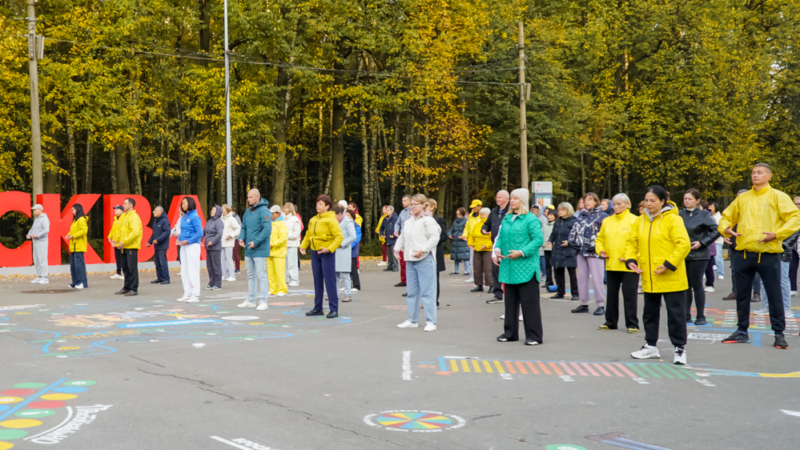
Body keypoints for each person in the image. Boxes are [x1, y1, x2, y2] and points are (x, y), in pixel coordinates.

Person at [719, 163, 800, 349]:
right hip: (743, 253)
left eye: (760, 172)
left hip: (768, 254)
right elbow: (726, 216)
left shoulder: (778, 196)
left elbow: (795, 218)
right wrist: (725, 228)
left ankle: (779, 334)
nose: (755, 175)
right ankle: (741, 331)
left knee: (774, 295)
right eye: (753, 172)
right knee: (742, 295)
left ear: (769, 176)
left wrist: (778, 233)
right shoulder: (743, 198)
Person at [626, 186, 691, 365]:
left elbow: (683, 244)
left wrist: (668, 264)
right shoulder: (640, 221)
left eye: (653, 200)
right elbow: (631, 242)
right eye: (646, 200)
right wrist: (631, 259)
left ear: (663, 201)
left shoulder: (673, 220)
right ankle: (650, 345)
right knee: (650, 313)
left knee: (676, 314)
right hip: (650, 275)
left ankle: (679, 348)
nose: (649, 204)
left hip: (670, 275)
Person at [493, 188, 545, 345]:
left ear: (522, 201)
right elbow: (500, 237)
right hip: (509, 267)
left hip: (526, 267)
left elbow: (538, 240)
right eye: (512, 198)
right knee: (510, 303)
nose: (512, 201)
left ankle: (534, 336)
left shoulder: (530, 219)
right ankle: (510, 333)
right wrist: (497, 249)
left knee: (530, 304)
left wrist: (521, 252)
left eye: (516, 198)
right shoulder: (507, 218)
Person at [396, 193, 441, 332]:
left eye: (416, 204)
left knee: (428, 292)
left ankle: (431, 321)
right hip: (410, 259)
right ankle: (412, 319)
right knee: (411, 292)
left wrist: (423, 250)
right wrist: (397, 248)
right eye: (412, 204)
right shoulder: (409, 221)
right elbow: (403, 236)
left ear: (423, 205)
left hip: (424, 259)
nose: (413, 207)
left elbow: (435, 238)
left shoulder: (428, 220)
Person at [595, 193, 640, 332]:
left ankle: (632, 323)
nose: (616, 207)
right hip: (612, 263)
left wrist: (631, 257)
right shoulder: (607, 221)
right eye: (614, 204)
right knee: (612, 295)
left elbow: (641, 243)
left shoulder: (635, 220)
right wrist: (600, 250)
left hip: (629, 265)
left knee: (630, 295)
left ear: (628, 204)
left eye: (619, 204)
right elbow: (599, 239)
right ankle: (610, 321)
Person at [679, 189, 720, 325]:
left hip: (699, 254)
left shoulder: (704, 214)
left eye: (690, 199)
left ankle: (700, 316)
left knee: (697, 285)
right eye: (685, 198)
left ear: (697, 201)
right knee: (685, 286)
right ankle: (685, 314)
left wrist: (702, 243)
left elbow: (716, 230)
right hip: (682, 254)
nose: (687, 201)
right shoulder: (678, 214)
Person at [300, 194, 343, 318]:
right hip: (314, 252)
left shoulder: (331, 219)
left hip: (326, 253)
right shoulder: (313, 219)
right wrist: (303, 245)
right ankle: (318, 308)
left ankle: (334, 308)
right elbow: (308, 234)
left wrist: (329, 249)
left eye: (320, 204)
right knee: (317, 281)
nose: (317, 206)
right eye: (317, 204)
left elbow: (339, 237)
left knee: (330, 281)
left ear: (327, 206)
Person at [569, 193, 608, 315]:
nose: (587, 202)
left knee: (597, 279)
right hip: (581, 251)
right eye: (585, 200)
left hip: (595, 252)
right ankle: (584, 303)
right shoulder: (581, 215)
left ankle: (600, 305)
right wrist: (571, 241)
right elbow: (574, 229)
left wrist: (598, 247)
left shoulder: (603, 216)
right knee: (581, 278)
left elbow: (607, 234)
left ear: (596, 201)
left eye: (590, 200)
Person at [722, 189, 762, 302]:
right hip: (735, 245)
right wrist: (725, 234)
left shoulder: (754, 211)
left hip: (750, 245)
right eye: (738, 197)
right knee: (735, 270)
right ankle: (735, 291)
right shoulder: (733, 211)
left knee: (754, 271)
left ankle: (756, 293)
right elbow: (726, 225)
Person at [238, 189, 272, 310]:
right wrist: (241, 238)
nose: (248, 199)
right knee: (250, 275)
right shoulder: (248, 211)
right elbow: (243, 227)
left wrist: (256, 242)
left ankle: (263, 301)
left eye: (251, 197)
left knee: (261, 275)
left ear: (258, 197)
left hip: (260, 249)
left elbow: (267, 229)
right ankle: (251, 300)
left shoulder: (264, 211)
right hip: (248, 249)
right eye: (248, 197)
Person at [756, 229, 799, 318]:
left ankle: (786, 308)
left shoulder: (790, 217)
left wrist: (783, 244)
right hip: (767, 249)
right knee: (764, 279)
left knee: (783, 280)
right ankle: (766, 306)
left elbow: (795, 231)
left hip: (783, 251)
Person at [482, 190, 509, 303]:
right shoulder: (493, 211)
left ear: (507, 199)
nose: (497, 199)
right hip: (495, 244)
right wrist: (484, 229)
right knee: (495, 269)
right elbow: (487, 223)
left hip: (507, 246)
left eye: (500, 197)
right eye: (497, 197)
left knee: (507, 270)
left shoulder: (510, 211)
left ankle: (509, 295)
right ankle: (497, 294)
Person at [549, 203, 579, 300]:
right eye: (560, 210)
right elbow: (553, 233)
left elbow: (578, 236)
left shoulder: (574, 221)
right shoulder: (557, 221)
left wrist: (570, 242)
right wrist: (550, 240)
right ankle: (560, 292)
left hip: (569, 251)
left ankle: (575, 293)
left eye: (563, 210)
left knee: (572, 274)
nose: (560, 212)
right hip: (558, 250)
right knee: (558, 273)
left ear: (568, 211)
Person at [176, 197, 203, 302]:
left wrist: (188, 241)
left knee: (193, 270)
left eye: (185, 203)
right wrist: (179, 239)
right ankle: (187, 292)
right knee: (184, 270)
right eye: (182, 203)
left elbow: (199, 233)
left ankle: (195, 294)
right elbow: (183, 231)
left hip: (192, 246)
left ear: (190, 203)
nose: (183, 205)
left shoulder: (195, 216)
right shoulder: (184, 217)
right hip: (184, 246)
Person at [116, 198, 143, 296]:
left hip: (131, 246)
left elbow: (135, 232)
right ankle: (126, 287)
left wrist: (124, 241)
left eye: (125, 203)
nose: (123, 205)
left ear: (131, 205)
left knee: (132, 268)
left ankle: (133, 288)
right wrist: (118, 242)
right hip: (124, 246)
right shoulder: (124, 216)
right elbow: (121, 231)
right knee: (125, 268)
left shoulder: (134, 216)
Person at [427, 199, 448, 307]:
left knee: (434, 278)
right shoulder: (421, 220)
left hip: (436, 253)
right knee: (426, 279)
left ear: (432, 207)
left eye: (427, 205)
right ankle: (426, 300)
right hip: (424, 253)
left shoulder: (438, 220)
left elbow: (444, 236)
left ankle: (435, 301)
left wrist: (432, 241)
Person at [334, 205, 356, 302]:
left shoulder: (348, 222)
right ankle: (334, 294)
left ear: (339, 214)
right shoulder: (334, 222)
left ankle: (348, 294)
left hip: (344, 250)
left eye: (334, 215)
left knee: (345, 274)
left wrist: (342, 244)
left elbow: (353, 236)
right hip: (334, 250)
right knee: (335, 274)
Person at [469, 208, 494, 293]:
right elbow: (472, 235)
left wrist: (486, 245)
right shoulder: (477, 224)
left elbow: (494, 238)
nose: (481, 216)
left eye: (483, 214)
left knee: (488, 268)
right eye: (481, 214)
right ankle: (479, 285)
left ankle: (491, 285)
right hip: (478, 248)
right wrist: (470, 243)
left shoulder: (491, 225)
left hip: (488, 249)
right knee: (477, 267)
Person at [65, 204, 89, 290]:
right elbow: (73, 231)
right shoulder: (75, 220)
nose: (72, 212)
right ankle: (75, 282)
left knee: (79, 265)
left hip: (79, 245)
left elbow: (84, 231)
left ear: (78, 210)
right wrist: (69, 235)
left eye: (73, 210)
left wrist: (73, 236)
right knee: (74, 266)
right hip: (73, 246)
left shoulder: (82, 219)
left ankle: (82, 282)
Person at [267, 205, 289, 297]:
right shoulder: (270, 223)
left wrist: (273, 244)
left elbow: (283, 238)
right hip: (269, 251)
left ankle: (282, 289)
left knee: (279, 272)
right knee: (270, 272)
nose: (271, 215)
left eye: (272, 213)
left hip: (278, 252)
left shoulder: (282, 224)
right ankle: (273, 289)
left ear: (278, 213)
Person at [147, 206, 171, 285]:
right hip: (156, 245)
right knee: (157, 262)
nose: (153, 212)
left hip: (162, 245)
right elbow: (154, 233)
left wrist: (158, 240)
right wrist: (150, 242)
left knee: (162, 262)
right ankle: (160, 278)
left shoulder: (165, 221)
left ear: (160, 212)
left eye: (155, 210)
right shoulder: (155, 221)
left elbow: (167, 232)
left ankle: (166, 278)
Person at [26, 203, 50, 284]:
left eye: (35, 210)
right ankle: (39, 276)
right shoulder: (36, 219)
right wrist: (29, 234)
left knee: (42, 259)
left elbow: (46, 230)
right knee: (36, 259)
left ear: (40, 210)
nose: (33, 211)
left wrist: (38, 235)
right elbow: (33, 228)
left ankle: (45, 277)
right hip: (35, 241)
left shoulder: (44, 219)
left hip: (42, 241)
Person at [203, 205, 223, 290]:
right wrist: (200, 240)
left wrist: (212, 242)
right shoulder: (210, 221)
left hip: (215, 247)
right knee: (210, 266)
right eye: (212, 209)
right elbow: (204, 232)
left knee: (216, 266)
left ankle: (218, 284)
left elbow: (219, 234)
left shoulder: (219, 222)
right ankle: (211, 282)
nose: (212, 211)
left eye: (214, 210)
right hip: (208, 247)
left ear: (218, 212)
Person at [462, 199, 482, 283]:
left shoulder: (483, 215)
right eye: (472, 207)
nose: (473, 209)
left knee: (482, 261)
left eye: (474, 207)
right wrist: (464, 235)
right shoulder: (470, 216)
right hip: (472, 241)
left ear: (479, 206)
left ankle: (483, 277)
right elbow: (467, 226)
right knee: (472, 260)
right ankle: (473, 276)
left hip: (481, 241)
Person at [394, 195, 412, 287]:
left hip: (410, 238)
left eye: (405, 201)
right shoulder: (401, 212)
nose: (403, 202)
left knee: (408, 261)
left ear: (410, 201)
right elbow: (397, 222)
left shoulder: (413, 211)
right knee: (402, 260)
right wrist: (396, 230)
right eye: (402, 200)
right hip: (402, 237)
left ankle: (410, 281)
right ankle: (403, 280)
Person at [282, 202, 302, 287]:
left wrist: (285, 236)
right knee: (284, 263)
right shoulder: (282, 218)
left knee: (292, 263)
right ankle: (286, 279)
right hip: (283, 244)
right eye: (284, 208)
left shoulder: (295, 219)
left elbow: (296, 233)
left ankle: (294, 279)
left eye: (286, 208)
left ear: (290, 209)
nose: (285, 209)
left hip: (292, 244)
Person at [221, 204, 242, 282]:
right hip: (221, 242)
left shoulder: (231, 219)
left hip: (229, 242)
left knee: (229, 259)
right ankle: (224, 275)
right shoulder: (220, 218)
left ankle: (232, 275)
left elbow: (238, 228)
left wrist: (232, 235)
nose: (222, 209)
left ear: (227, 210)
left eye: (223, 208)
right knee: (222, 260)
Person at [448, 207, 470, 275]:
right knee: (456, 257)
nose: (458, 215)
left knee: (465, 256)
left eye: (459, 214)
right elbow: (452, 228)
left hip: (463, 241)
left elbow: (468, 230)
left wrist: (464, 236)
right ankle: (456, 270)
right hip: (456, 240)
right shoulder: (455, 221)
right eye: (457, 214)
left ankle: (467, 270)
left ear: (462, 214)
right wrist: (449, 234)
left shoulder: (466, 221)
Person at [708, 202, 725, 281]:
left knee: (718, 257)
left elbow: (720, 229)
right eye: (710, 206)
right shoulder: (707, 215)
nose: (710, 207)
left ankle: (720, 273)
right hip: (708, 240)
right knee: (707, 257)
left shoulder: (719, 217)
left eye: (712, 206)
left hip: (717, 240)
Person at [108, 205, 125, 280]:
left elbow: (122, 231)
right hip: (115, 242)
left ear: (121, 210)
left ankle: (125, 273)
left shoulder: (123, 219)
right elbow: (113, 230)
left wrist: (116, 240)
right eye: (115, 209)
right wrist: (109, 236)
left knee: (122, 258)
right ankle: (118, 273)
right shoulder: (116, 219)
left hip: (121, 242)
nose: (115, 210)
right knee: (117, 258)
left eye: (117, 209)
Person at [381, 206, 399, 272]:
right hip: (387, 238)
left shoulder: (396, 218)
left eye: (388, 210)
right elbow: (381, 227)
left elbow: (399, 228)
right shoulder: (385, 219)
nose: (386, 211)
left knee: (394, 253)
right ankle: (390, 265)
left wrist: (394, 235)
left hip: (394, 239)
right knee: (389, 253)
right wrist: (381, 234)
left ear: (392, 211)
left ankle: (395, 266)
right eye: (386, 210)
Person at [541, 206, 556, 287]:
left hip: (554, 248)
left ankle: (558, 283)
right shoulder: (545, 224)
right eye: (549, 215)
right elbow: (541, 234)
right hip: (546, 248)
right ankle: (548, 282)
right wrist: (541, 243)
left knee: (556, 267)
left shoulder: (557, 224)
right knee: (547, 266)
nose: (550, 216)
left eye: (551, 215)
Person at [348, 210, 362, 293]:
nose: (346, 216)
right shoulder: (343, 225)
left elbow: (356, 238)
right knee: (346, 269)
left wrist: (348, 246)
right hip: (345, 251)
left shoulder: (356, 225)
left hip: (352, 251)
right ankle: (348, 285)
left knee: (353, 269)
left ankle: (356, 285)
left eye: (348, 215)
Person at [790, 197, 800, 296]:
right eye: (796, 204)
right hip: (793, 245)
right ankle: (793, 288)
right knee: (792, 267)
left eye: (799, 204)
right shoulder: (791, 216)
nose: (798, 206)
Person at [231, 208, 243, 274]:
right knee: (231, 254)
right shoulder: (230, 217)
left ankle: (237, 268)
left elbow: (239, 227)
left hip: (235, 238)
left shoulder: (236, 217)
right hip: (231, 238)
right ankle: (231, 268)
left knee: (235, 253)